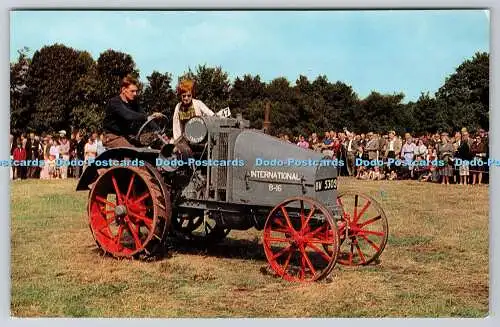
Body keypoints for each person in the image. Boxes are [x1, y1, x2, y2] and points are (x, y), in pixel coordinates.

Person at [103, 74, 163, 148]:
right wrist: (147, 117)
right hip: (112, 137)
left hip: (127, 137)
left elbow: (146, 118)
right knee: (130, 151)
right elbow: (127, 115)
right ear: (124, 90)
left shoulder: (134, 104)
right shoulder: (114, 102)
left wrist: (158, 131)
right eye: (132, 91)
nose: (135, 94)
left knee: (147, 149)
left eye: (136, 91)